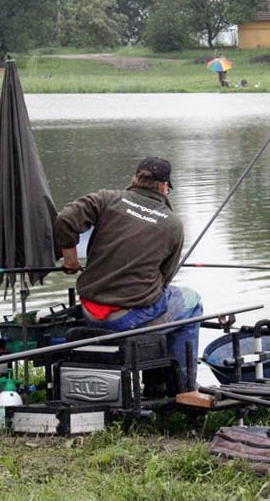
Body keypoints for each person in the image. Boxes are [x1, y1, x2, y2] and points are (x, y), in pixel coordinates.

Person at [54, 157, 203, 394]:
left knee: (166, 301)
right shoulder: (173, 225)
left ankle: (157, 383)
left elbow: (65, 218)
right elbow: (165, 279)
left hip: (91, 310)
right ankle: (183, 389)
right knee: (191, 302)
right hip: (127, 319)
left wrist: (70, 258)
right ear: (165, 187)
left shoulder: (107, 199)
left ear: (135, 179)